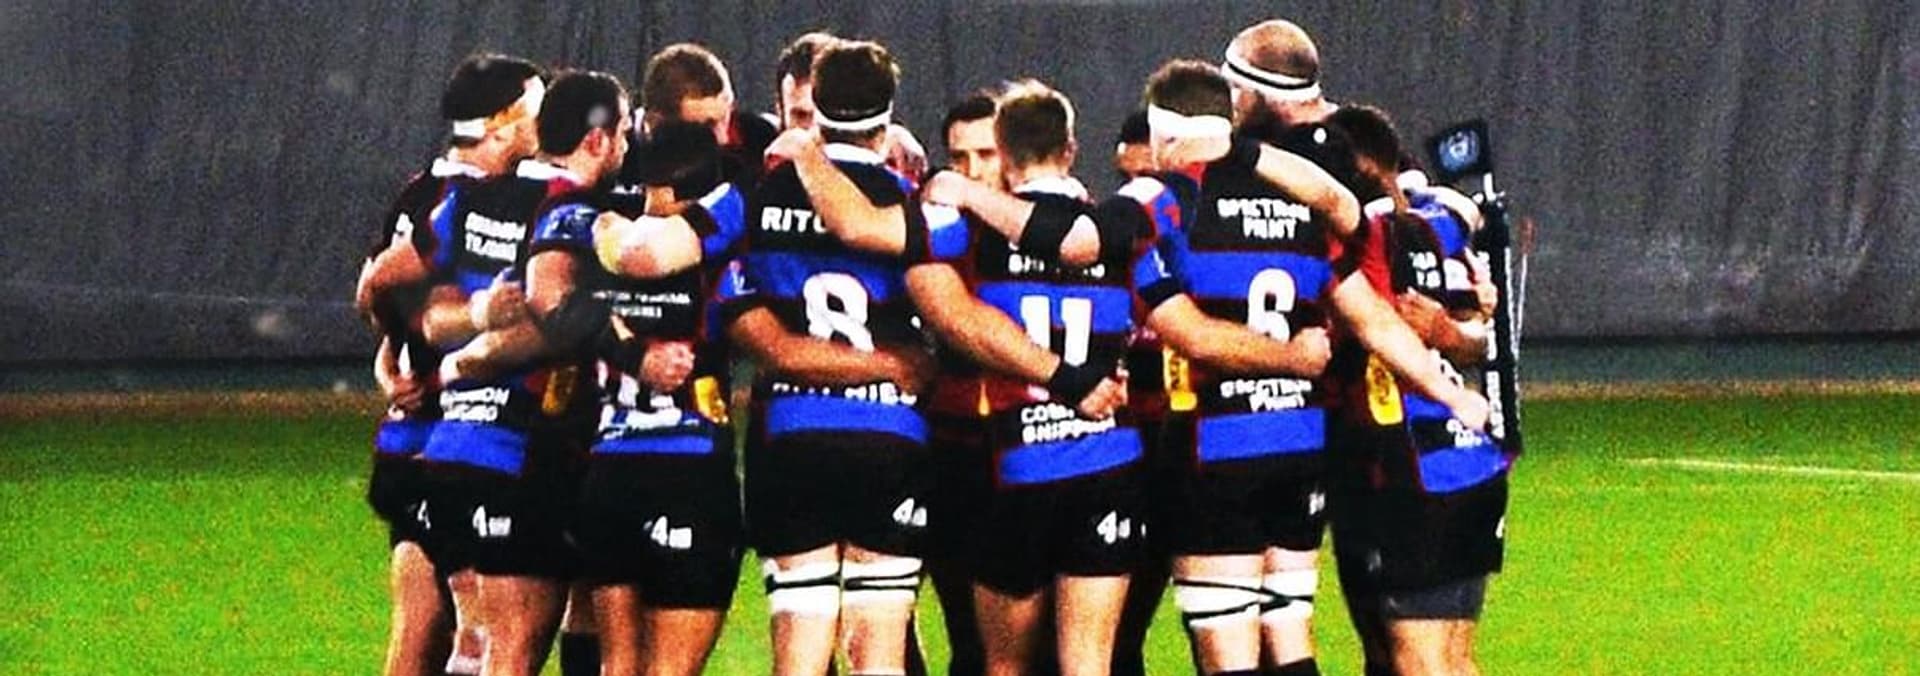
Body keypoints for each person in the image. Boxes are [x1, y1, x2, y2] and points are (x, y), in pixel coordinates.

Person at [724, 40, 939, 676]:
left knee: (800, 649)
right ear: (889, 114)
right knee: (880, 652)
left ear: (811, 105)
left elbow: (749, 327)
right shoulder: (911, 204)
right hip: (890, 436)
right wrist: (904, 364)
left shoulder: (756, 197)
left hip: (791, 439)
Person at [416, 69, 631, 676]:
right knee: (515, 648)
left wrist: (469, 333)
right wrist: (480, 353)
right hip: (520, 449)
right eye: (621, 133)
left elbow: (430, 317)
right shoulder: (579, 215)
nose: (626, 147)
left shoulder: (471, 199)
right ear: (597, 140)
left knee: (478, 643)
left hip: (451, 445)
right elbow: (556, 323)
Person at [354, 52, 544, 676]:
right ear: (502, 122)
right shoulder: (470, 200)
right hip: (451, 436)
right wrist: (411, 356)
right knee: (474, 633)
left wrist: (392, 358)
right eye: (536, 106)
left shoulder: (420, 191)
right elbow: (379, 286)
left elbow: (375, 293)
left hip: (413, 442)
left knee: (422, 630)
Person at [1321, 104, 1506, 676]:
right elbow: (1480, 332)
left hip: (1410, 470)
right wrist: (1459, 328)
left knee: (1418, 661)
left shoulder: (1365, 240)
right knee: (1452, 658)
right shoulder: (1432, 229)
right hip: (1471, 462)